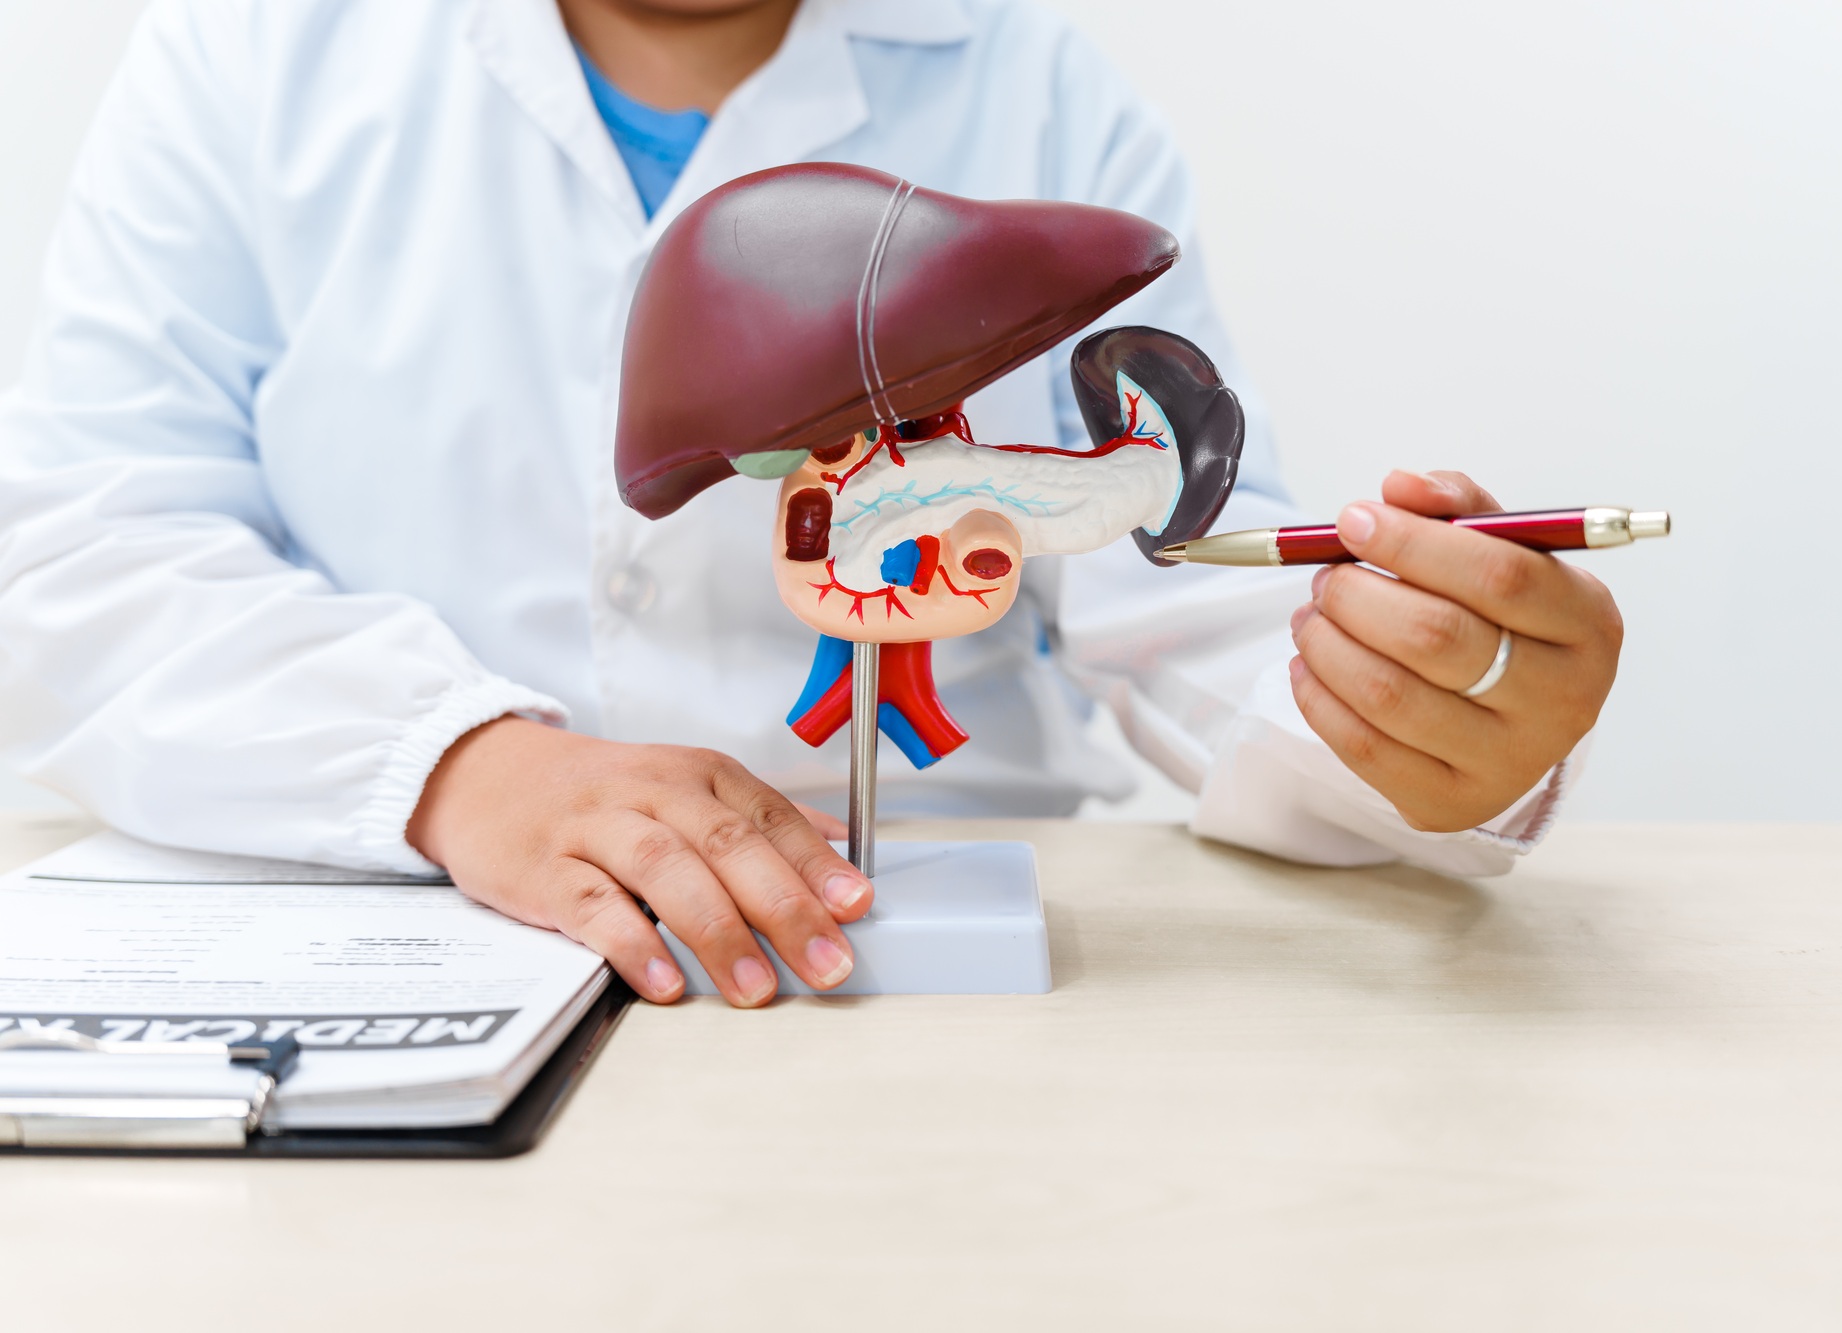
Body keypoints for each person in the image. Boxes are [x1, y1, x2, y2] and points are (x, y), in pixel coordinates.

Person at [0, 0, 1622, 1007]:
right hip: (396, 933)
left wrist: (1410, 702)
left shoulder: (1032, 81)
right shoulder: (252, 47)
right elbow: (84, 545)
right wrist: (451, 762)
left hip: (896, 977)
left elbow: (1171, 577)